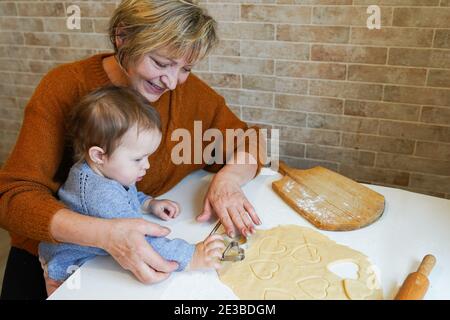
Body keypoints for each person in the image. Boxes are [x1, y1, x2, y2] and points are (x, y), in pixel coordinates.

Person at [0, 0, 264, 299]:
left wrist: (229, 179)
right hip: (56, 261)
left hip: (134, 252)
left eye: (185, 68)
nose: (173, 82)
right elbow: (12, 198)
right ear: (122, 37)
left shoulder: (189, 93)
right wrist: (106, 235)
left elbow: (251, 140)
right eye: (161, 63)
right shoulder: (64, 87)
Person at [38, 86, 224, 297]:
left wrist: (148, 203)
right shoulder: (100, 194)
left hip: (86, 256)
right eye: (138, 159)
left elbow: (125, 193)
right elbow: (141, 242)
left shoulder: (99, 171)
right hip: (70, 269)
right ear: (99, 155)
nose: (147, 166)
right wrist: (192, 256)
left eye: (147, 157)